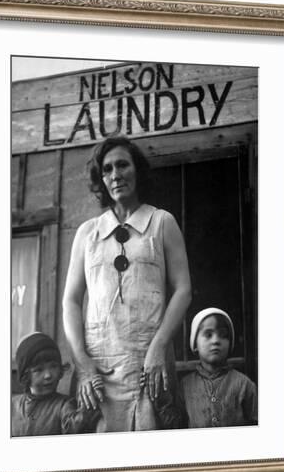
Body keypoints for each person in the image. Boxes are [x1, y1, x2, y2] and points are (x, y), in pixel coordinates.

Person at [62, 136, 191, 432]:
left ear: (137, 170)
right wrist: (82, 361)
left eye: (123, 165)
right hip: (99, 373)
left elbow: (183, 289)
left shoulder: (161, 222)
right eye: (107, 169)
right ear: (101, 178)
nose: (115, 175)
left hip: (148, 367)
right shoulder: (87, 233)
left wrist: (160, 346)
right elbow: (70, 300)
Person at [12, 332, 100, 436]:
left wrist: (89, 403)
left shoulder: (64, 405)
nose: (48, 375)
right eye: (39, 370)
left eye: (53, 366)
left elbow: (76, 428)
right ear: (26, 375)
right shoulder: (12, 404)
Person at [181, 307, 258, 428]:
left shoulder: (245, 385)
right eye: (208, 334)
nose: (216, 340)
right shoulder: (185, 385)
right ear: (195, 344)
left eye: (223, 335)